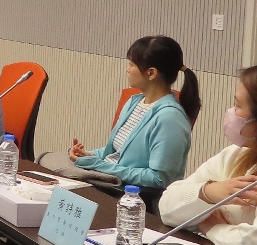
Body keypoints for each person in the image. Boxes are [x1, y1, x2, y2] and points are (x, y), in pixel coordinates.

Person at [67, 36, 198, 203]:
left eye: (132, 64)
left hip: (132, 196)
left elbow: (159, 178)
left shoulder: (170, 119)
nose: (127, 69)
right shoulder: (133, 102)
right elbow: (118, 153)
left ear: (151, 73)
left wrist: (97, 165)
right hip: (109, 181)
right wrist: (90, 155)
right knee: (52, 164)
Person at [160, 66, 257, 245]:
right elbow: (167, 207)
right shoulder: (234, 155)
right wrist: (207, 193)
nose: (231, 112)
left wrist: (212, 227)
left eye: (237, 105)